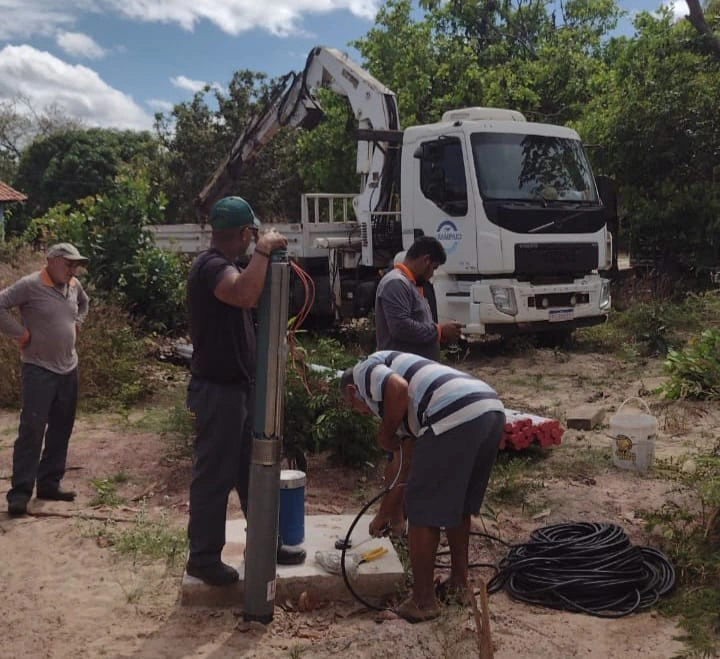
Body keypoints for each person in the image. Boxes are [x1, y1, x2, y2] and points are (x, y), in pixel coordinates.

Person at [185, 195, 304, 587]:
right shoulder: (211, 267)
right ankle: (202, 558)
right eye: (251, 235)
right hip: (218, 393)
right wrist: (264, 251)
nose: (254, 239)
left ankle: (265, 546)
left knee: (252, 474)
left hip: (237, 390)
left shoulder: (230, 265)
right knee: (214, 476)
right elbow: (243, 294)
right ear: (242, 233)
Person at [341, 351, 505, 623]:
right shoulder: (410, 405)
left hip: (451, 413)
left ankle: (423, 600)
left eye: (355, 407)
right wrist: (386, 513)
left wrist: (384, 433)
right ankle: (458, 585)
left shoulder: (364, 369)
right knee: (458, 503)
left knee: (421, 511)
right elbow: (404, 469)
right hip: (488, 409)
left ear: (351, 392)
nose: (363, 411)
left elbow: (397, 388)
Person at [0, 243, 90, 516]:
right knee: (32, 431)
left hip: (68, 368)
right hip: (38, 369)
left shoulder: (74, 284)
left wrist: (78, 322)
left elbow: (84, 303)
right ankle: (20, 494)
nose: (73, 269)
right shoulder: (30, 285)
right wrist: (20, 335)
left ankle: (49, 483)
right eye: (68, 263)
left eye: (76, 264)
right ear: (51, 261)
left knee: (61, 428)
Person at [375, 236, 463, 362]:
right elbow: (401, 328)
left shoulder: (412, 284)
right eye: (434, 268)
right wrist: (439, 331)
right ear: (426, 260)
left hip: (415, 371)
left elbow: (419, 324)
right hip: (402, 372)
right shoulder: (395, 283)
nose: (432, 274)